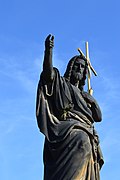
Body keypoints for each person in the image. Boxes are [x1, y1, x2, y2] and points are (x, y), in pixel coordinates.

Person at [36, 34, 104, 180]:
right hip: (67, 132)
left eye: (83, 67)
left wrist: (92, 101)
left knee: (86, 141)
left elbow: (98, 117)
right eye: (77, 66)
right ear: (71, 68)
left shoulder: (85, 96)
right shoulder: (62, 84)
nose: (79, 69)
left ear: (85, 73)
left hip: (86, 132)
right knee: (82, 139)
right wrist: (49, 51)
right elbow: (48, 75)